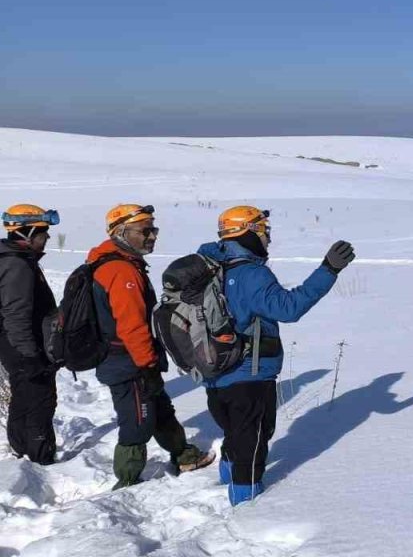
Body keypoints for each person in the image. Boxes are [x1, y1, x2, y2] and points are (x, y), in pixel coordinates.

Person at [196, 206, 355, 505]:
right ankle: (246, 508)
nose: (268, 237)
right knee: (252, 444)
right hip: (249, 374)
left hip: (215, 374)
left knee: (235, 434)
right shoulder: (251, 273)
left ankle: (227, 482)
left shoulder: (210, 268)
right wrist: (328, 270)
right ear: (248, 232)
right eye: (264, 230)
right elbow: (288, 308)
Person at [91, 204, 213, 489]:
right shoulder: (121, 271)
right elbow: (132, 326)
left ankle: (183, 455)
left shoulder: (119, 263)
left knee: (159, 407)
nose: (152, 236)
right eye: (144, 230)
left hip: (128, 357)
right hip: (127, 361)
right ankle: (127, 480)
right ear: (120, 232)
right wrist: (146, 364)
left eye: (153, 229)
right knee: (136, 420)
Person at [0, 205, 59, 465]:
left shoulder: (17, 259)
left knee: (24, 396)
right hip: (23, 345)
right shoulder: (17, 265)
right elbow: (16, 314)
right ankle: (40, 460)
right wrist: (29, 355)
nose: (46, 238)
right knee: (39, 400)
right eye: (43, 233)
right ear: (27, 233)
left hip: (17, 344)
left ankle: (21, 452)